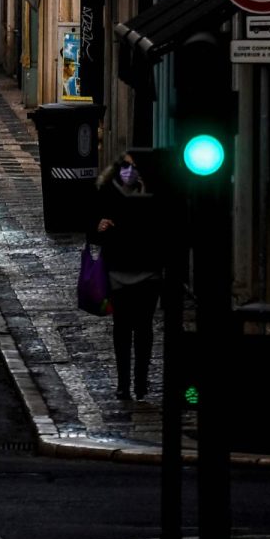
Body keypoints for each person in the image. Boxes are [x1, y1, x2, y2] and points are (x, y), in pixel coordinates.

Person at [92, 154, 161, 400]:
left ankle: (141, 383)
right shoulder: (106, 194)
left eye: (135, 166)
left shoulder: (154, 195)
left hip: (148, 273)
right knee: (121, 329)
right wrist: (98, 228)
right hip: (118, 273)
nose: (129, 171)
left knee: (144, 329)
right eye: (125, 166)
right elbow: (93, 233)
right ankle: (123, 384)